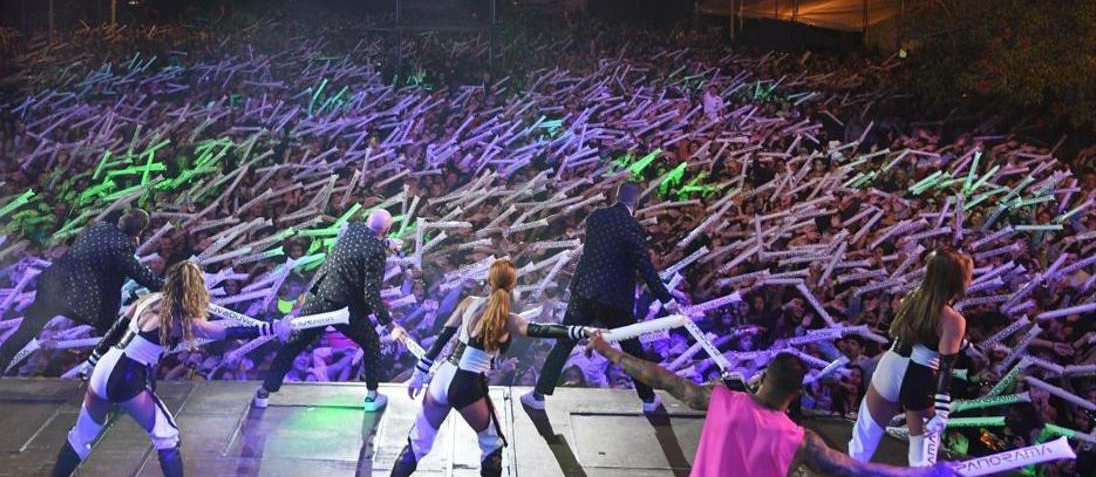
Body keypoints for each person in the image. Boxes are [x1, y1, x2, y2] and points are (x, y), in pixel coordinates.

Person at [585, 333, 960, 477]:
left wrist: (608, 351)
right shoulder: (800, 440)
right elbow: (857, 471)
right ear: (795, 395)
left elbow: (661, 377)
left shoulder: (721, 400)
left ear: (762, 378)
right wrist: (928, 474)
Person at [50, 260, 294, 477]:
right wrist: (271, 329)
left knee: (81, 437)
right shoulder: (180, 319)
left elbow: (115, 331)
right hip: (126, 375)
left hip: (105, 367)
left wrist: (91, 363)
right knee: (166, 436)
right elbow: (224, 331)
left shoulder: (148, 300)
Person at [391, 259, 593, 477]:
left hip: (443, 375)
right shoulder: (508, 319)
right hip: (467, 383)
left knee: (418, 441)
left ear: (489, 280)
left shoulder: (469, 302)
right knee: (492, 445)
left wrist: (419, 373)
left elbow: (442, 339)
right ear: (513, 284)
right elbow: (542, 330)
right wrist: (581, 331)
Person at [0, 208, 163, 400]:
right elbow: (142, 275)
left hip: (52, 289)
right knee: (117, 337)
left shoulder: (98, 228)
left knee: (23, 333)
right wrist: (169, 288)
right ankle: (116, 385)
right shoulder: (121, 248)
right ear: (138, 233)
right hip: (84, 302)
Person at [522, 183, 678, 412]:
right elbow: (644, 266)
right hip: (614, 300)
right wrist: (667, 299)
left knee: (564, 343)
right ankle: (647, 400)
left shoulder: (596, 217)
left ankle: (538, 395)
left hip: (584, 291)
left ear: (616, 196)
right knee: (632, 349)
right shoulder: (632, 227)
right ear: (637, 202)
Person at [255, 208, 408, 412]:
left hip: (319, 296)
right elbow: (371, 294)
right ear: (387, 230)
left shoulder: (354, 229)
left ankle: (264, 392)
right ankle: (372, 396)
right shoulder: (376, 252)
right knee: (371, 342)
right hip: (344, 308)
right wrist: (390, 325)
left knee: (294, 344)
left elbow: (367, 240)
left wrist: (385, 243)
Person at [849, 249, 974, 467]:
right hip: (919, 379)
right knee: (922, 461)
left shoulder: (913, 298)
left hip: (889, 367)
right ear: (957, 280)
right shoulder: (953, 320)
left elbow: (919, 333)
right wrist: (942, 412)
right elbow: (946, 368)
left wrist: (966, 345)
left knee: (860, 444)